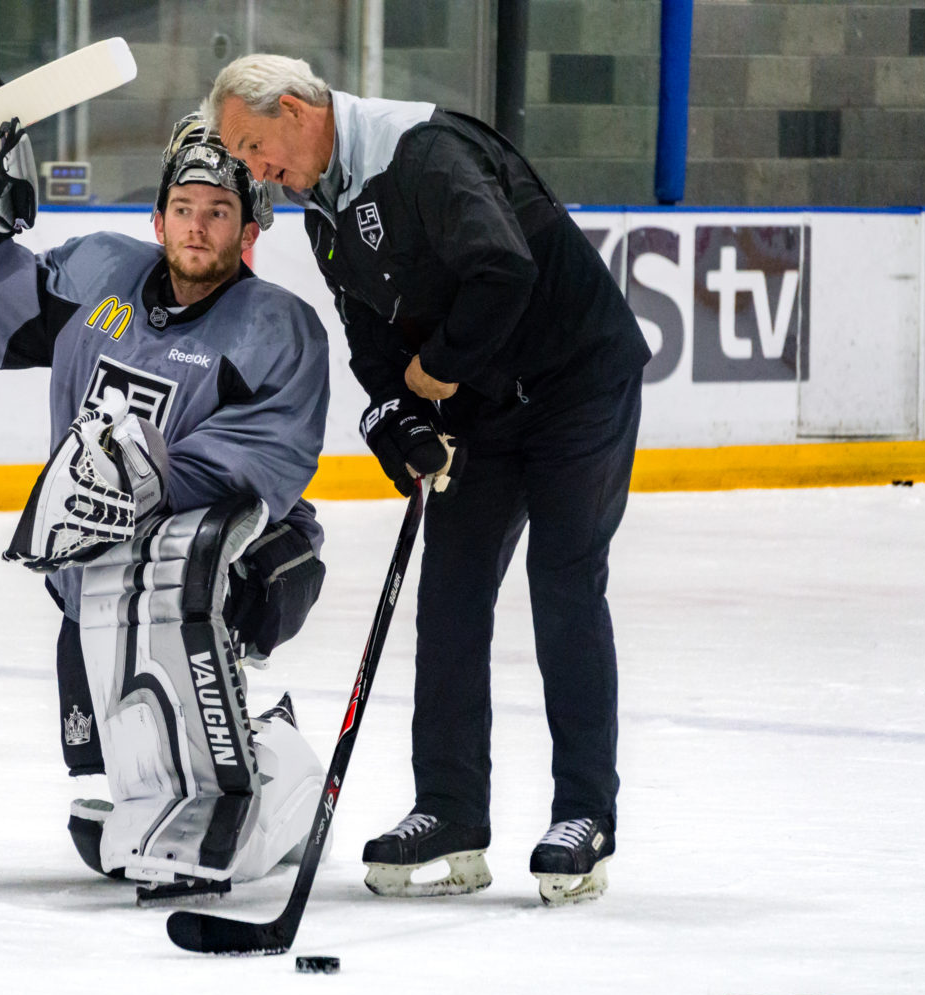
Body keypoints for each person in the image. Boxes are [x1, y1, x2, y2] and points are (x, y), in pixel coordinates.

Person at [203, 54, 650, 905]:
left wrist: (436, 374)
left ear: (298, 110)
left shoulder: (421, 152)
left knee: (561, 582)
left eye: (257, 146)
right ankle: (449, 807)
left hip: (576, 385)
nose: (255, 171)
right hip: (488, 404)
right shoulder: (323, 210)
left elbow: (504, 270)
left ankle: (584, 813)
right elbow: (371, 341)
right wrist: (400, 421)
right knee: (448, 593)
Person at [0, 69, 332, 906]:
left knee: (207, 594)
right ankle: (262, 752)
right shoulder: (99, 274)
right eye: (184, 208)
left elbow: (266, 460)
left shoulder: (276, 325)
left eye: (219, 211)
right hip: (95, 572)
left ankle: (259, 773)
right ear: (157, 217)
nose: (198, 226)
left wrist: (129, 469)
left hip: (222, 564)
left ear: (251, 226)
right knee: (112, 786)